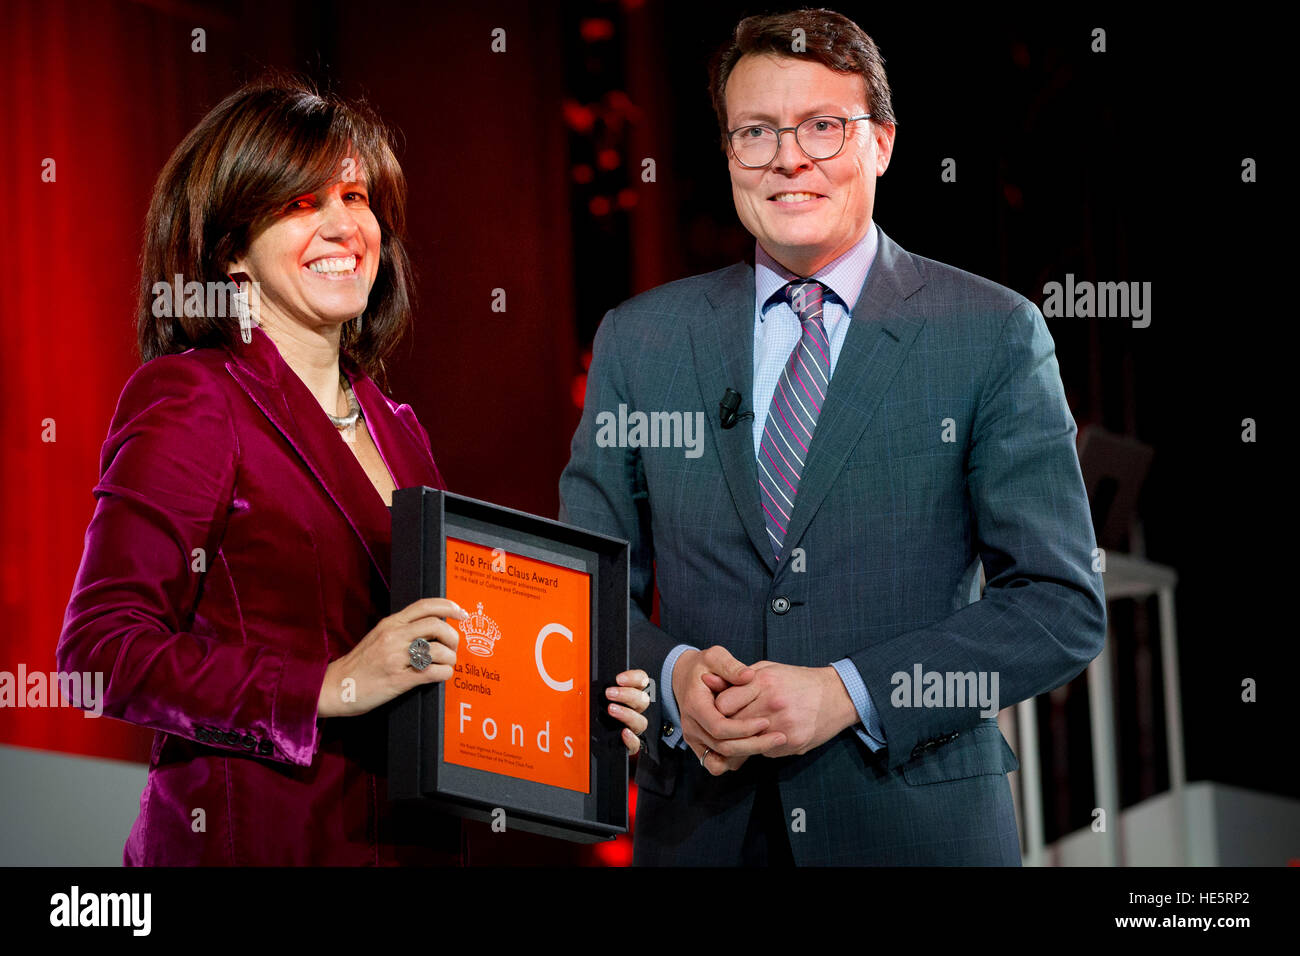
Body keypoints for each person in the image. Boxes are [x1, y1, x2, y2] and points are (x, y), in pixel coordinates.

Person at [56, 77, 651, 866]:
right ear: (230, 249)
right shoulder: (193, 397)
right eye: (301, 202)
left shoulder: (399, 431)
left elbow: (440, 656)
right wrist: (328, 684)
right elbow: (98, 655)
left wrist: (576, 718)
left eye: (355, 195)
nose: (343, 224)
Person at [558, 9, 1106, 865]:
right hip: (703, 829)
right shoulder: (643, 340)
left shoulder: (991, 331)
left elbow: (1057, 606)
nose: (789, 158)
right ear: (730, 152)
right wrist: (671, 678)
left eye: (823, 126)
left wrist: (850, 694)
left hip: (915, 830)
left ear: (881, 143)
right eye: (757, 132)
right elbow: (582, 586)